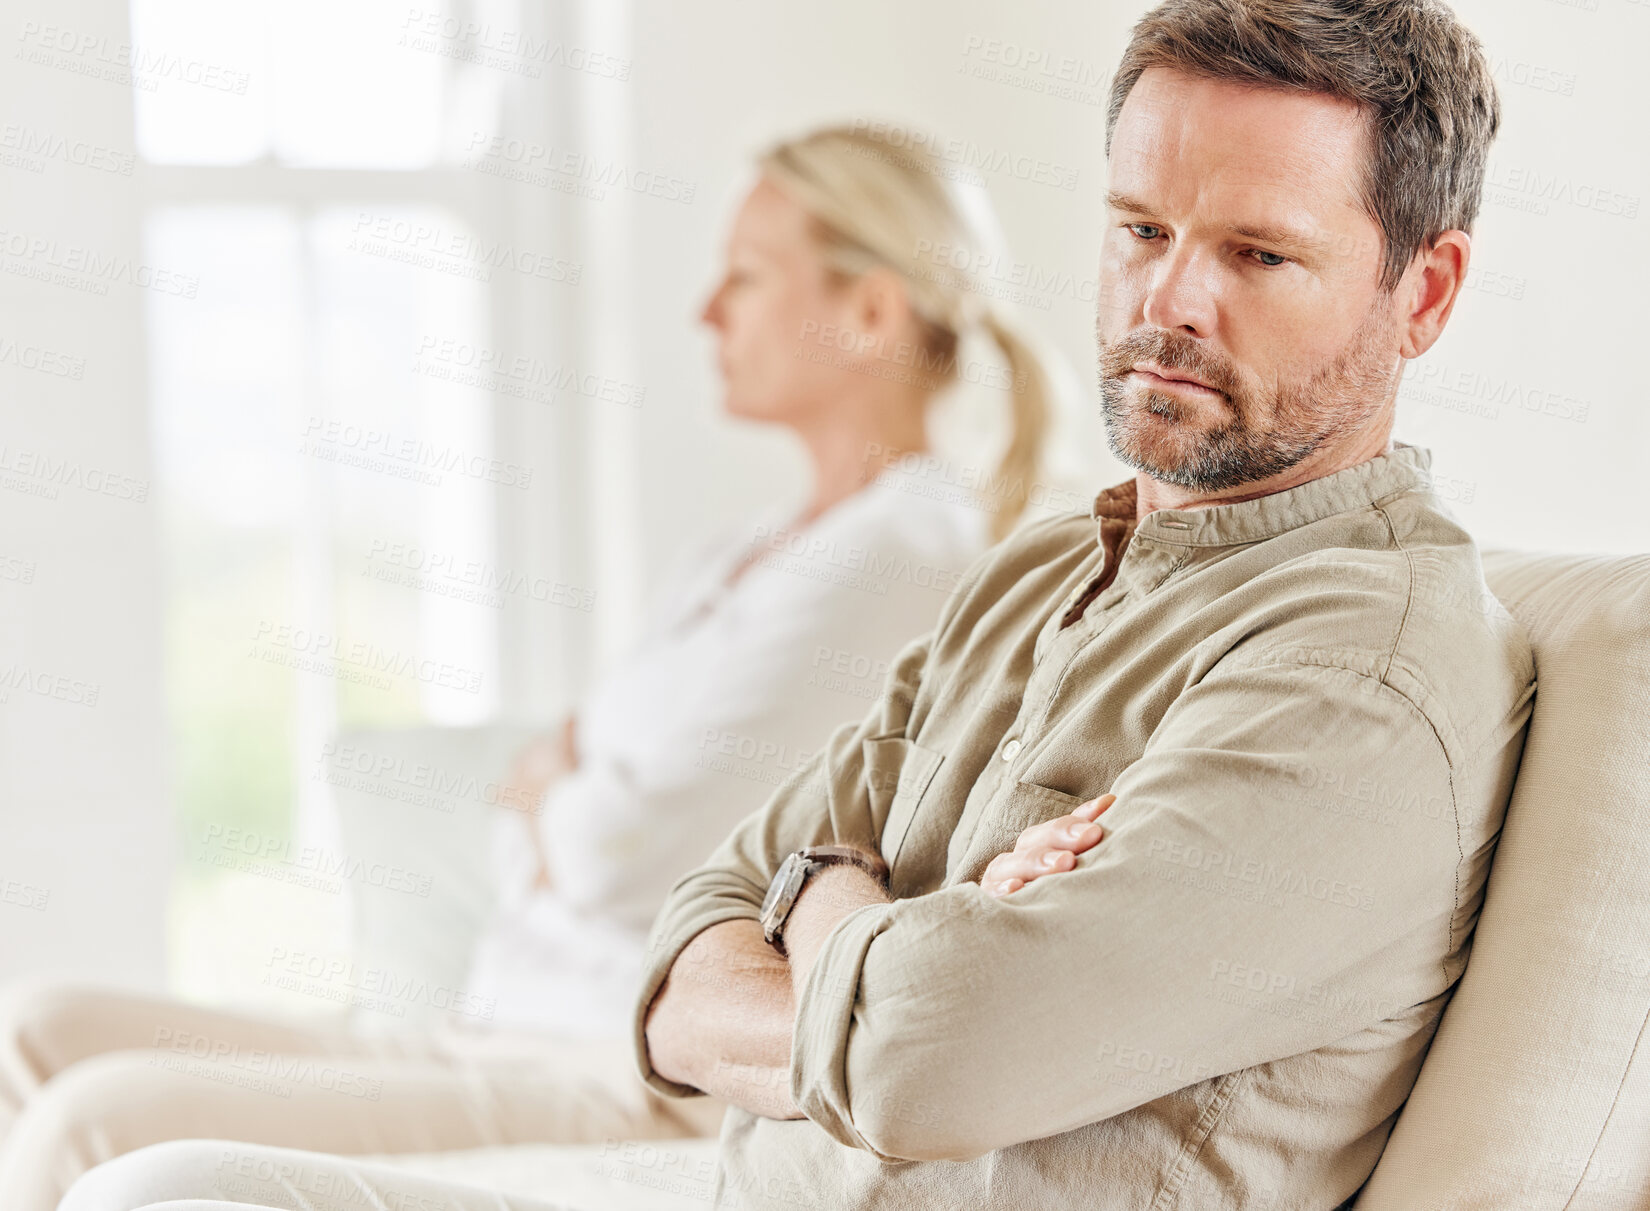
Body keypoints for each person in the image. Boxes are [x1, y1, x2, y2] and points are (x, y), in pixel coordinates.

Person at [60, 0, 1539, 1207]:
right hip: (734, 1174)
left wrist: (824, 902)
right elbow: (682, 948)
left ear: (1424, 292)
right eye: (1140, 229)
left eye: (1257, 254)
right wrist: (885, 936)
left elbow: (936, 1059)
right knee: (152, 1159)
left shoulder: (1359, 658)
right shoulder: (1036, 568)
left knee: (161, 1184)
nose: (1169, 301)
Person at [2, 124, 1064, 1211]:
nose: (706, 310)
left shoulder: (900, 548)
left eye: (745, 275)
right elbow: (569, 817)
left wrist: (559, 789)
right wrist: (565, 800)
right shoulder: (741, 551)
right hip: (493, 1017)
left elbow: (626, 856)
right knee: (32, 1031)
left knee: (95, 1120)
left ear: (871, 313)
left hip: (616, 1063)